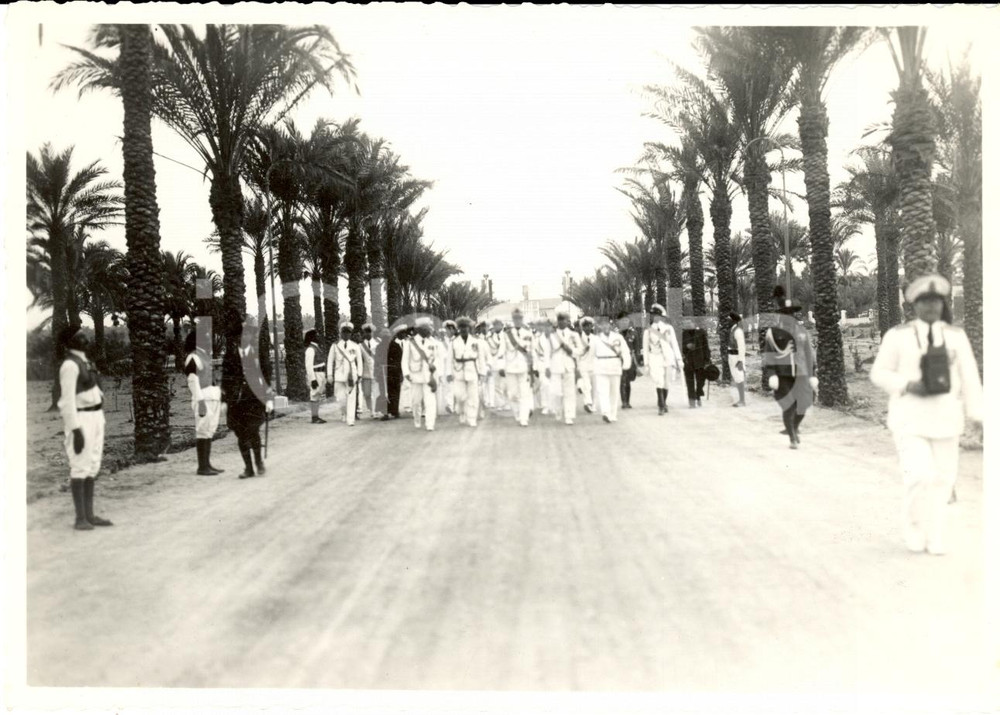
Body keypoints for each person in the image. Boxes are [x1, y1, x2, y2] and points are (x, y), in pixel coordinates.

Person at [870, 273, 982, 555]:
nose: (931, 307)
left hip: (946, 419)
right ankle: (914, 530)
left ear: (942, 304)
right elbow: (879, 373)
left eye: (935, 302)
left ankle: (935, 535)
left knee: (943, 480)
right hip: (909, 419)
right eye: (924, 302)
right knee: (919, 476)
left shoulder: (956, 337)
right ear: (914, 306)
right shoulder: (898, 336)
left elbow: (970, 377)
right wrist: (907, 384)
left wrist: (978, 415)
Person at [57, 325, 112, 530]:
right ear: (69, 342)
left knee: (93, 464)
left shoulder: (86, 362)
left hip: (96, 416)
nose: (85, 339)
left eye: (84, 335)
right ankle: (80, 518)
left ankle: (90, 514)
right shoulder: (70, 365)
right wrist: (75, 429)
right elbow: (67, 401)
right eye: (80, 336)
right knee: (80, 464)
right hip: (82, 418)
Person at [762, 286, 818, 449]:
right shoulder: (773, 332)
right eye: (785, 313)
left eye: (791, 313)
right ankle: (792, 437)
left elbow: (808, 353)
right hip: (782, 374)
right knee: (789, 405)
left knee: (806, 402)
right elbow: (769, 354)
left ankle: (793, 426)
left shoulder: (801, 331)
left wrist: (813, 373)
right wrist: (771, 374)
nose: (789, 316)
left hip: (801, 373)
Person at [226, 315, 274, 479]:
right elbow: (226, 379)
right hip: (236, 403)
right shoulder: (230, 356)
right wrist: (227, 397)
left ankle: (259, 462)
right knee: (240, 434)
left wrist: (268, 399)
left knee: (253, 431)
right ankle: (248, 468)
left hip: (254, 401)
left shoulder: (258, 355)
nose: (244, 338)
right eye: (241, 335)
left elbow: (267, 378)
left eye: (247, 334)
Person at [184, 329, 224, 474]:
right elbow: (192, 380)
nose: (209, 341)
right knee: (202, 430)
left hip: (212, 396)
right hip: (203, 398)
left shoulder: (204, 356)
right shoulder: (193, 357)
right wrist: (200, 401)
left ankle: (207, 463)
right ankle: (202, 466)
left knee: (209, 430)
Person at [402, 316, 442, 431]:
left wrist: (436, 367)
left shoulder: (434, 342)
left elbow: (438, 358)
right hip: (416, 375)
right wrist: (406, 373)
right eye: (428, 327)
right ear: (420, 329)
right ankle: (417, 419)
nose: (430, 329)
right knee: (416, 401)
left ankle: (430, 424)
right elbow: (404, 360)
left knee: (430, 400)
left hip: (429, 376)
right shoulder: (410, 343)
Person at [642, 304, 682, 415]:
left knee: (666, 382)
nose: (655, 317)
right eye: (653, 315)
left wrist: (679, 359)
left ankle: (664, 402)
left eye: (657, 315)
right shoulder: (648, 331)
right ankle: (661, 404)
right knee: (658, 381)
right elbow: (645, 348)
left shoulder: (669, 329)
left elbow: (674, 344)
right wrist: (646, 363)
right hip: (655, 357)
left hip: (668, 357)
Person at [499, 309, 536, 427]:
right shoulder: (506, 334)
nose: (518, 320)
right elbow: (501, 351)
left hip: (524, 367)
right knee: (513, 395)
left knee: (525, 394)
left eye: (520, 318)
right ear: (513, 320)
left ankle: (524, 418)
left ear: (522, 319)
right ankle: (518, 413)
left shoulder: (528, 334)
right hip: (510, 367)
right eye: (515, 319)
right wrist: (501, 366)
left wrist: (533, 367)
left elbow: (532, 351)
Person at [593, 316, 632, 423]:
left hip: (615, 366)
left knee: (614, 392)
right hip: (601, 367)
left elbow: (625, 351)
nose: (605, 326)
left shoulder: (618, 337)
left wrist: (626, 364)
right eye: (603, 325)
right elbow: (591, 355)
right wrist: (592, 368)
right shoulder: (595, 339)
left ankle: (613, 414)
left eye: (607, 324)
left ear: (610, 325)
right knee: (603, 391)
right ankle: (605, 412)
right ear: (599, 326)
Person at [451, 316, 487, 427]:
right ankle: (461, 413)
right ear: (459, 329)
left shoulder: (476, 341)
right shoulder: (454, 342)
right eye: (461, 327)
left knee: (473, 396)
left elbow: (480, 357)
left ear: (469, 328)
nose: (463, 329)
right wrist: (449, 373)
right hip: (459, 370)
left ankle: (472, 418)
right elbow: (450, 359)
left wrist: (482, 372)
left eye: (465, 327)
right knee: (460, 396)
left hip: (472, 370)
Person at [549, 311, 584, 425]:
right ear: (558, 321)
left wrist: (572, 351)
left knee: (569, 392)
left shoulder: (574, 335)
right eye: (561, 320)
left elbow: (580, 350)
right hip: (555, 366)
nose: (563, 322)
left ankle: (569, 415)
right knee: (556, 392)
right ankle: (558, 410)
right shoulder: (551, 335)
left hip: (569, 365)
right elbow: (547, 352)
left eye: (566, 320)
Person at [326, 323, 363, 427]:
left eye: (348, 333)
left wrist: (359, 374)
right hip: (339, 375)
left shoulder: (355, 346)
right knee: (340, 399)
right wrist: (329, 375)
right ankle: (344, 413)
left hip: (351, 375)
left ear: (350, 334)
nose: (346, 335)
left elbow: (359, 361)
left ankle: (350, 419)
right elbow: (330, 361)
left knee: (351, 398)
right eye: (344, 332)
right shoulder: (335, 345)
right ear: (341, 333)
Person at [681, 324, 711, 408]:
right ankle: (691, 400)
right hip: (688, 361)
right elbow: (679, 346)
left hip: (700, 361)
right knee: (689, 381)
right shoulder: (684, 334)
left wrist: (707, 358)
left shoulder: (701, 333)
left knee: (700, 381)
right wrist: (686, 346)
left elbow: (706, 347)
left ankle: (698, 394)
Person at [382, 324, 407, 421]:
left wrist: (401, 372)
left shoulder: (400, 345)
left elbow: (402, 360)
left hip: (396, 372)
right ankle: (387, 411)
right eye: (384, 337)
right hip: (387, 372)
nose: (386, 339)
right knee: (387, 392)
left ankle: (395, 410)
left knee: (396, 391)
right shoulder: (386, 346)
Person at [304, 329, 327, 424]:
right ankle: (314, 417)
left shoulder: (316, 347)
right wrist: (313, 379)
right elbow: (309, 366)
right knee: (314, 394)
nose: (319, 336)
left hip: (320, 374)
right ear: (312, 337)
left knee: (317, 395)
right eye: (316, 335)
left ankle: (316, 416)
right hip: (316, 374)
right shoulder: (310, 349)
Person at [486, 319, 508, 411]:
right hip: (495, 363)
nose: (496, 327)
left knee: (506, 384)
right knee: (497, 385)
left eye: (498, 325)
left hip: (506, 363)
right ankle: (500, 404)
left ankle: (508, 404)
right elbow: (489, 352)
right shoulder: (490, 337)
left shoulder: (507, 336)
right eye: (495, 325)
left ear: (502, 325)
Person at [359, 323, 380, 418]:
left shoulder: (378, 342)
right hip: (365, 372)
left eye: (369, 332)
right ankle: (370, 408)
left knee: (375, 392)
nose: (367, 334)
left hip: (376, 371)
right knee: (367, 393)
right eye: (366, 332)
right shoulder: (360, 345)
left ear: (372, 333)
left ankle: (374, 411)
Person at [532, 319, 553, 416]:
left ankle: (552, 405)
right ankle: (545, 406)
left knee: (552, 386)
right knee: (544, 385)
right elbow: (534, 353)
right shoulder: (537, 338)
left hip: (553, 364)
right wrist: (535, 367)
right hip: (542, 364)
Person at [727, 312, 747, 407]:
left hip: (736, 357)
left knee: (739, 377)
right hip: (732, 356)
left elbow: (742, 347)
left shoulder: (738, 331)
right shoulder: (732, 330)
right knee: (736, 377)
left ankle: (742, 400)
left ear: (733, 320)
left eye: (729, 320)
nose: (727, 321)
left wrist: (740, 360)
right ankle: (740, 399)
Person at [577, 316, 597, 413]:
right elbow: (576, 352)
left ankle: (593, 405)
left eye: (589, 326)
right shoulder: (578, 338)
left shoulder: (595, 338)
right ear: (582, 327)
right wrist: (583, 351)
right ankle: (587, 403)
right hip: (583, 365)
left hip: (593, 365)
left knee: (594, 387)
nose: (587, 328)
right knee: (587, 385)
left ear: (592, 326)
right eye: (585, 326)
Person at [439, 320, 458, 415]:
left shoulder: (457, 340)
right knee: (449, 386)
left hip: (457, 367)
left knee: (455, 386)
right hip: (447, 366)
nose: (446, 333)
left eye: (447, 330)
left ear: (452, 329)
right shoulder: (446, 341)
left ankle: (454, 405)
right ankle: (450, 405)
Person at [619, 325, 639, 409]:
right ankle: (624, 402)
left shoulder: (633, 332)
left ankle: (627, 401)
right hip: (619, 359)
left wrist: (636, 362)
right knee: (622, 380)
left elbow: (637, 347)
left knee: (628, 381)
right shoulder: (616, 333)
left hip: (630, 359)